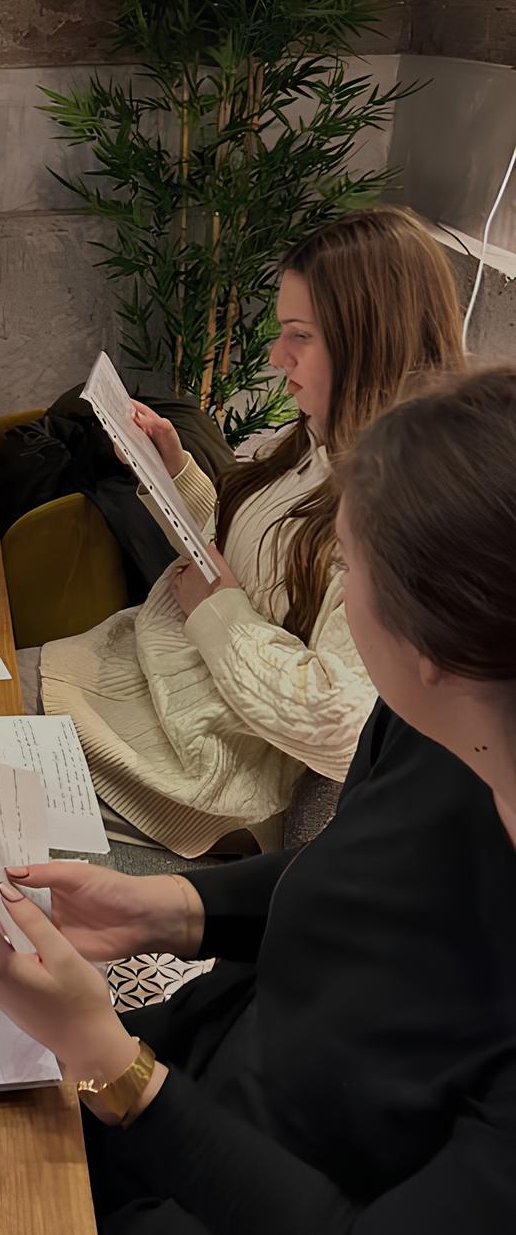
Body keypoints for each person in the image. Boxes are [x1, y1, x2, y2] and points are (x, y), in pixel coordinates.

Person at [0, 365, 516, 1235]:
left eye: (349, 565)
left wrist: (114, 1069)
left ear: (428, 642)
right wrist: (166, 905)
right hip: (214, 1101)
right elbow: (348, 887)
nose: (336, 592)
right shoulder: (447, 724)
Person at [34, 206, 465, 854]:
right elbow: (243, 561)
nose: (274, 356)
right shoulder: (310, 442)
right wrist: (174, 474)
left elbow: (339, 719)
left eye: (300, 335)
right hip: (123, 677)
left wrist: (216, 613)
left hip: (177, 763)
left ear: (367, 338)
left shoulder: (400, 512)